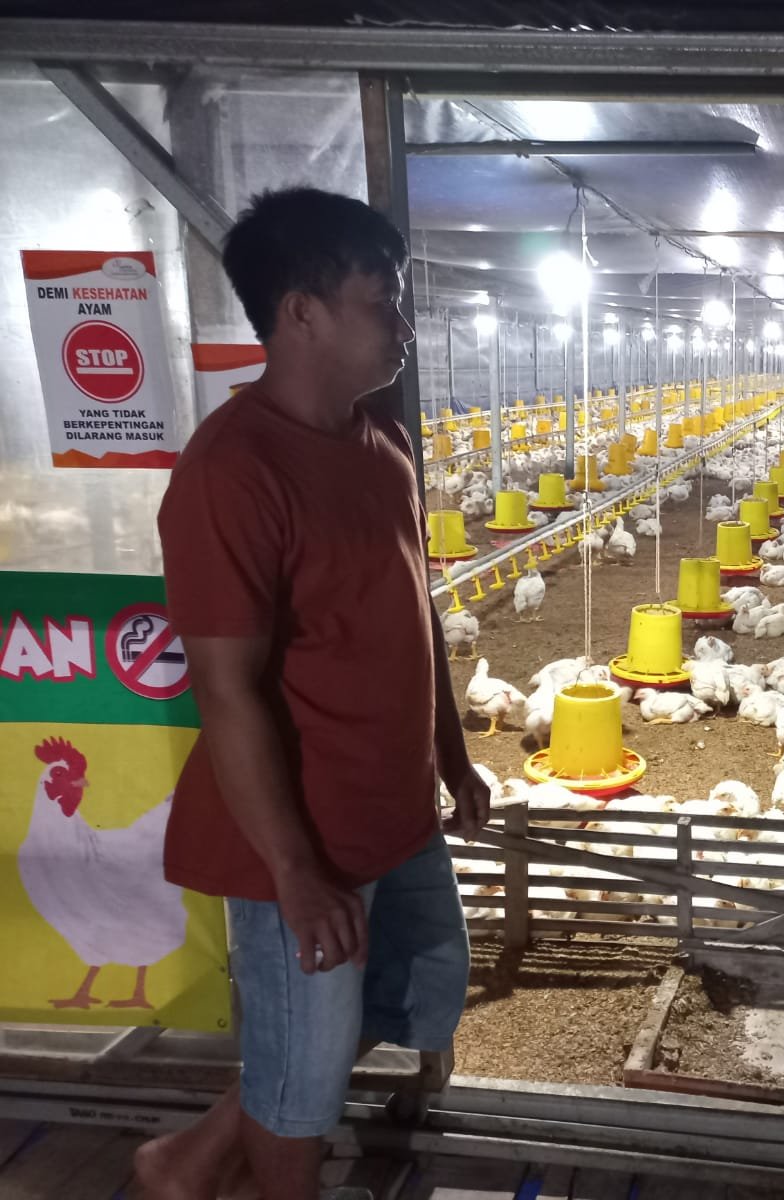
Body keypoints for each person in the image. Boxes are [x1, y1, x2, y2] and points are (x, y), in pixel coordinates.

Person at [136, 187, 490, 1200]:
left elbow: (409, 609)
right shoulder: (232, 472)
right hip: (302, 832)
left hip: (396, 807)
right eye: (383, 299)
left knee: (412, 991)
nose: (404, 325)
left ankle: (185, 1162)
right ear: (302, 312)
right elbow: (228, 689)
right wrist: (293, 872)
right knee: (301, 1092)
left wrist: (452, 753)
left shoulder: (380, 443)